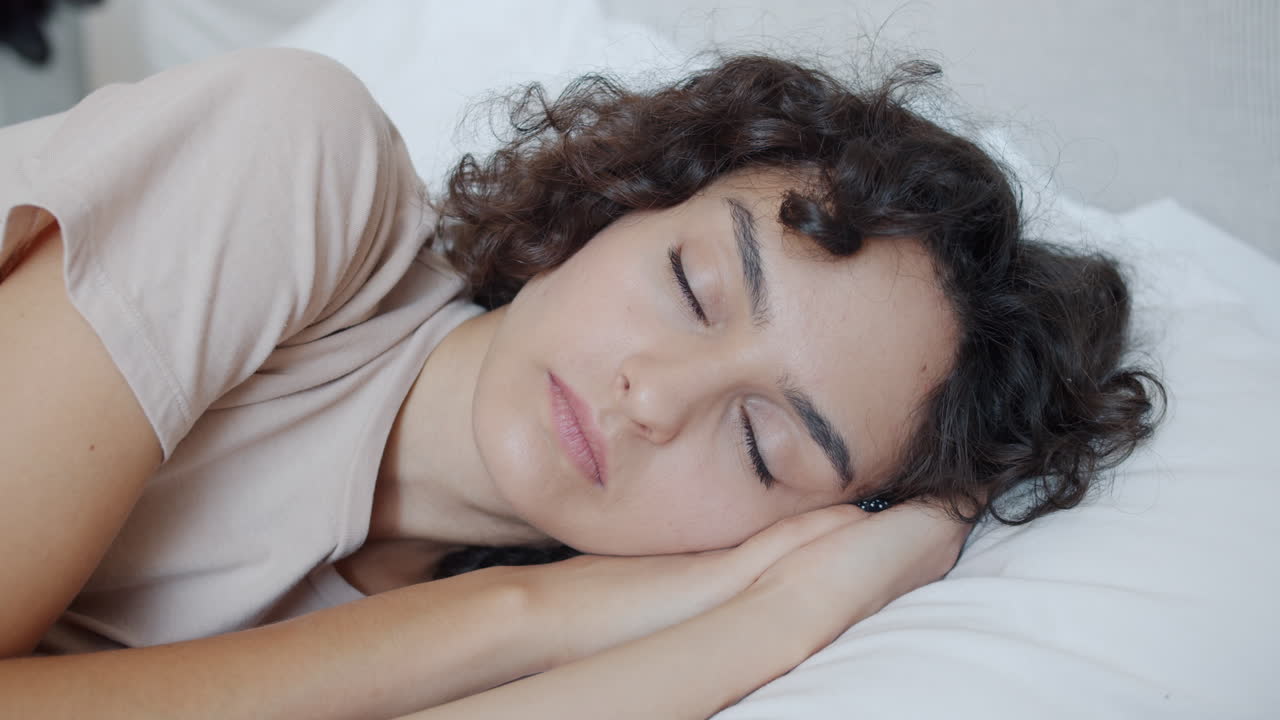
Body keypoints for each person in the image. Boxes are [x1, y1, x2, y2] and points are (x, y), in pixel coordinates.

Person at [0, 47, 1162, 718]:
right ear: (623, 202)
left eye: (760, 444)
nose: (653, 398)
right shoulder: (302, 165)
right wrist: (521, 616)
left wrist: (787, 613)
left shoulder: (567, 643)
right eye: (693, 287)